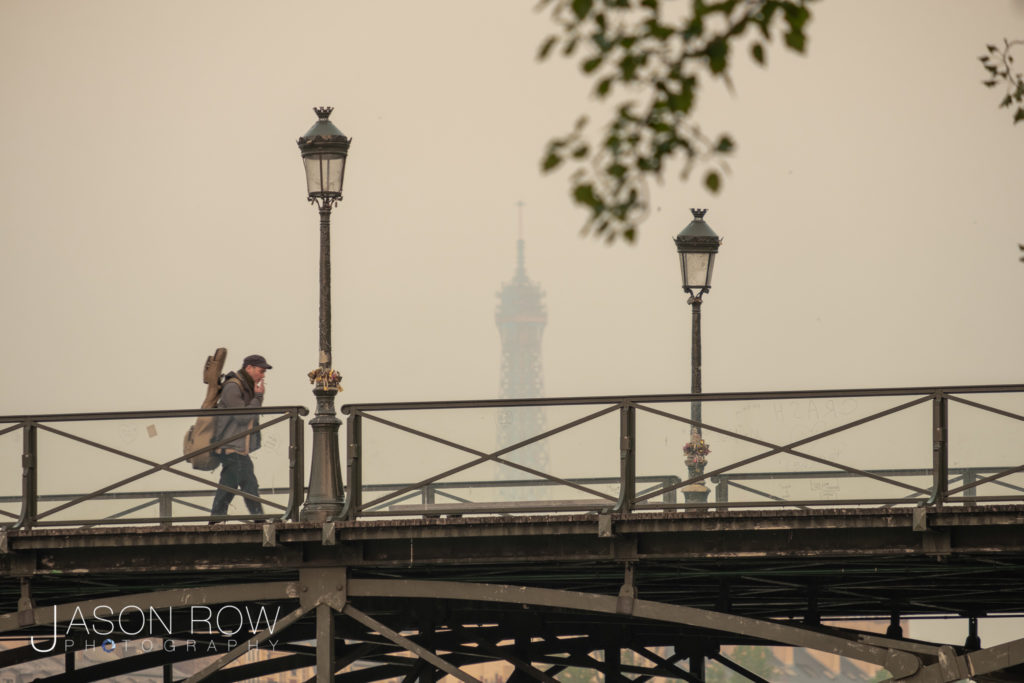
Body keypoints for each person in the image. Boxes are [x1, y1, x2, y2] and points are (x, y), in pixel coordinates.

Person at [210, 354, 272, 522]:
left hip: (237, 447)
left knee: (236, 484)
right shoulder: (233, 387)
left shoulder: (244, 387)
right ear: (249, 368)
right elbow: (243, 417)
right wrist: (258, 397)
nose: (263, 375)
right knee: (245, 484)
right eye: (261, 371)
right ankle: (258, 520)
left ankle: (216, 520)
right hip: (230, 446)